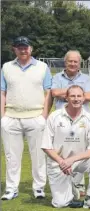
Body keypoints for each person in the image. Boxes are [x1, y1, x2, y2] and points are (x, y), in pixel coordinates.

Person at [1, 36, 53, 200]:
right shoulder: (6, 67)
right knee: (11, 156)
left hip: (35, 116)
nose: (23, 50)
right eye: (19, 47)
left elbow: (48, 93)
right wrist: (2, 117)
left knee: (38, 155)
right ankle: (11, 188)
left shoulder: (43, 67)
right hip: (11, 117)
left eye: (25, 47)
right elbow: (2, 92)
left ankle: (39, 188)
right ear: (14, 49)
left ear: (31, 49)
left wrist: (44, 116)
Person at [41, 85, 90, 210]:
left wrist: (72, 160)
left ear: (83, 99)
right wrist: (62, 161)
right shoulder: (54, 117)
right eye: (72, 96)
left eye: (79, 96)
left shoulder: (89, 119)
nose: (76, 99)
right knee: (60, 204)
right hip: (58, 164)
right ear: (66, 98)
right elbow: (46, 146)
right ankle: (72, 187)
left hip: (78, 161)